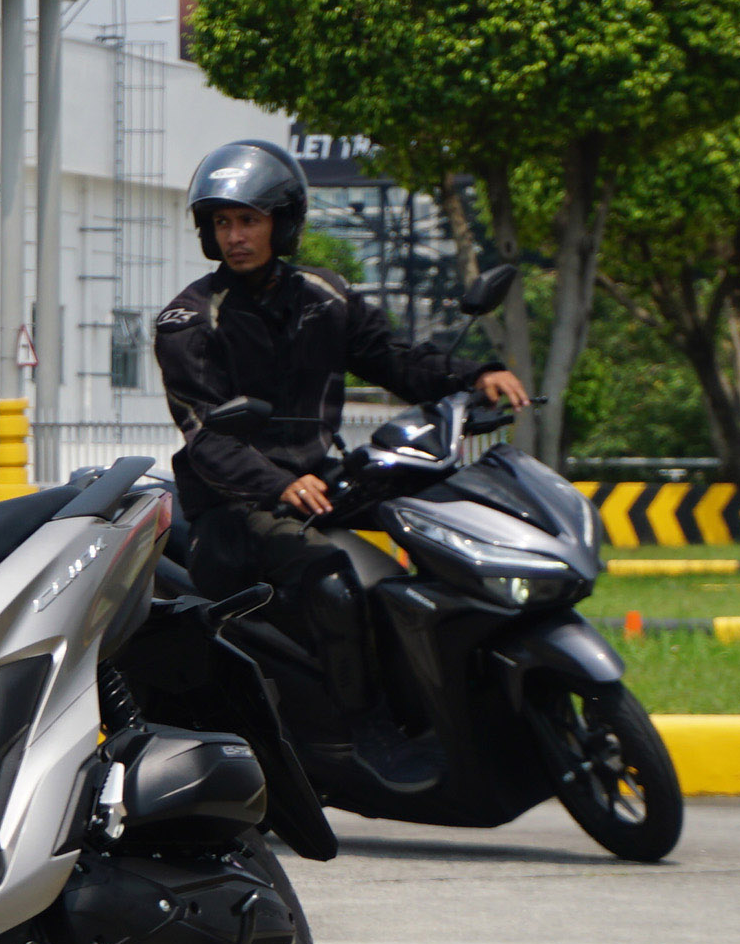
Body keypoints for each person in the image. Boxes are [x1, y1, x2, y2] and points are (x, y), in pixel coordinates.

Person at [151, 140, 529, 781]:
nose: (235, 236)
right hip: (232, 503)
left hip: (316, 482)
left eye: (249, 219)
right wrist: (278, 481)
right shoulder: (190, 321)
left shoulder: (325, 297)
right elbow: (208, 440)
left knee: (437, 531)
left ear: (283, 222)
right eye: (223, 223)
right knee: (331, 580)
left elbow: (395, 360)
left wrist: (477, 375)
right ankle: (361, 734)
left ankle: (442, 699)